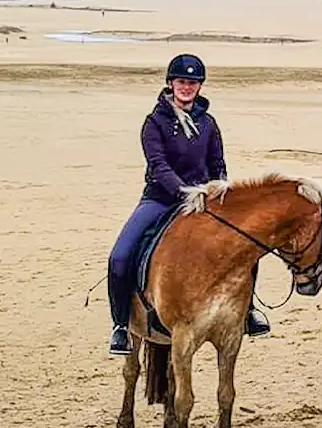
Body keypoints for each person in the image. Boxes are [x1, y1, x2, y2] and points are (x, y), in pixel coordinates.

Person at [105, 54, 269, 355]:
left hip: (205, 202)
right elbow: (158, 165)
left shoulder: (208, 124)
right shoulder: (154, 123)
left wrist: (218, 193)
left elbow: (217, 164)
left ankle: (247, 311)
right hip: (160, 199)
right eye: (182, 81)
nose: (187, 87)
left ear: (200, 87)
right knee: (119, 256)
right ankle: (120, 326)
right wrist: (185, 192)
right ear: (171, 83)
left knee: (245, 249)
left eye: (193, 83)